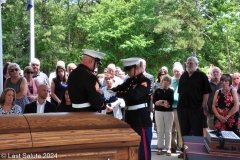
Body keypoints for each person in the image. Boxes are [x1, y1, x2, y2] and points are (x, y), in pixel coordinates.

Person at [109, 57, 152, 160]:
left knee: (143, 151)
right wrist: (108, 91)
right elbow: (119, 88)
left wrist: (115, 93)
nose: (127, 72)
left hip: (141, 120)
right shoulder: (130, 81)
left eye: (129, 69)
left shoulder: (145, 81)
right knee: (132, 150)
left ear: (136, 68)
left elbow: (134, 95)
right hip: (131, 119)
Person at [177, 56, 211, 158]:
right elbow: (180, 92)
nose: (189, 65)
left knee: (197, 131)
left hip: (196, 108)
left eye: (191, 63)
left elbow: (206, 92)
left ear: (196, 64)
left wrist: (203, 105)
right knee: (184, 131)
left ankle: (197, 153)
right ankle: (185, 152)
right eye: (188, 63)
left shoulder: (201, 76)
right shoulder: (183, 76)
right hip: (183, 107)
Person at [153, 74, 174, 156]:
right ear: (162, 81)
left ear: (170, 82)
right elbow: (155, 101)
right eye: (165, 80)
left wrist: (160, 102)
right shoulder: (157, 90)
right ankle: (160, 147)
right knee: (160, 130)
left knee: (168, 131)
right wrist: (162, 103)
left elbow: (170, 101)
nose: (166, 82)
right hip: (158, 112)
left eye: (168, 81)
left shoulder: (171, 91)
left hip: (168, 112)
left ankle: (168, 148)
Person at [170, 63, 184, 154]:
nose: (176, 73)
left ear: (182, 72)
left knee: (180, 129)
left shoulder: (185, 81)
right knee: (171, 130)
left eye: (178, 71)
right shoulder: (171, 80)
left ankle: (182, 147)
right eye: (175, 72)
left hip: (180, 109)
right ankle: (172, 147)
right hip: (170, 108)